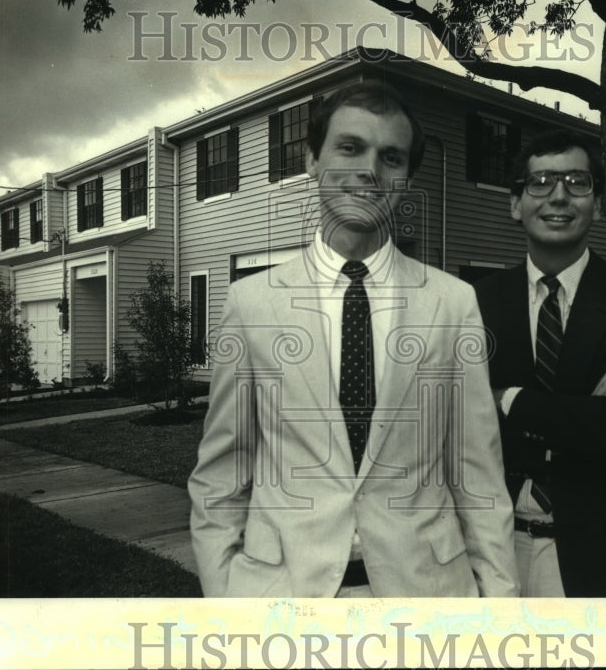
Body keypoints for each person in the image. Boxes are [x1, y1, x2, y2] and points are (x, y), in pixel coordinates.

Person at [189, 80, 518, 598]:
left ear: (407, 178)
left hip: (427, 601)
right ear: (311, 160)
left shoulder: (452, 303)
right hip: (283, 603)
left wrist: (497, 608)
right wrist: (227, 598)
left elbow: (478, 475)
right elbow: (222, 475)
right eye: (350, 147)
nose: (369, 170)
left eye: (391, 157)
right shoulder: (251, 303)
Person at [474, 129, 606, 598]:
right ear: (515, 203)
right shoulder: (476, 301)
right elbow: (458, 422)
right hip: (495, 552)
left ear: (599, 205)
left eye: (577, 183)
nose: (558, 196)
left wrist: (509, 399)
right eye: (540, 182)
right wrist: (586, 409)